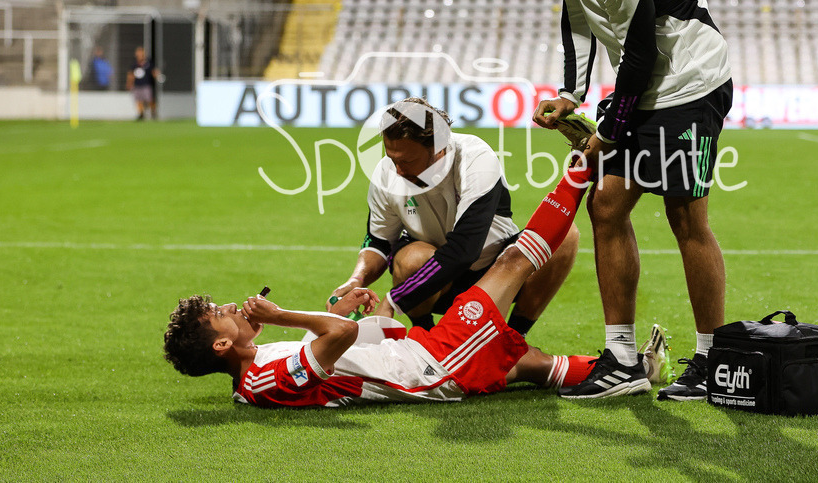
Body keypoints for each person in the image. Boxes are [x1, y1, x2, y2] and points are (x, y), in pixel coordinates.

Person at [164, 166, 670, 407]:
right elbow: (334, 340)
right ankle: (582, 167)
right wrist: (284, 317)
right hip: (432, 366)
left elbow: (348, 352)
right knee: (516, 259)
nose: (230, 306)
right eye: (218, 311)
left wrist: (372, 307)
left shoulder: (255, 373)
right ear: (222, 342)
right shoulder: (260, 382)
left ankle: (640, 369)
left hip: (418, 353)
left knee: (528, 365)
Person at [513, 0, 733, 401]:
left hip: (688, 85)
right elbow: (579, 20)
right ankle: (622, 360)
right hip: (651, 84)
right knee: (607, 206)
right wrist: (572, 94)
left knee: (686, 217)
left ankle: (712, 361)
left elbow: (638, 55)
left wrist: (608, 129)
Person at [330, 97, 578, 338]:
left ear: (438, 150)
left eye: (407, 160)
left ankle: (513, 338)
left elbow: (464, 249)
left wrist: (395, 300)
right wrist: (357, 278)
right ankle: (424, 337)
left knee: (565, 234)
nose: (398, 170)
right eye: (392, 158)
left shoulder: (475, 158)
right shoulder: (387, 172)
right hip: (432, 284)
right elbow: (378, 242)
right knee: (412, 258)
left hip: (497, 274)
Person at [126, 46, 160, 120]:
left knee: (149, 100)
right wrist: (129, 84)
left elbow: (154, 72)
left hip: (146, 85)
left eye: (141, 53)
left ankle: (153, 112)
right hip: (137, 85)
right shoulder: (134, 64)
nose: (139, 55)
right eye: (138, 53)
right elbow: (131, 74)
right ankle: (141, 114)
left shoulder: (149, 63)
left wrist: (157, 76)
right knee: (139, 100)